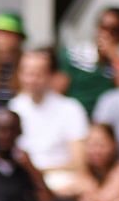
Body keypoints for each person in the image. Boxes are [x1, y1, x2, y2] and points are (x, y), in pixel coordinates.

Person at [8, 48, 88, 191]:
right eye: (27, 73)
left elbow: (79, 162)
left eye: (38, 74)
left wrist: (42, 172)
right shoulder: (14, 107)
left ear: (51, 76)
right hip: (22, 179)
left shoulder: (71, 108)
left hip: (61, 179)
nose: (31, 79)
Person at [62, 5, 119, 112]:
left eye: (114, 30)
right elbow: (58, 90)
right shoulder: (74, 55)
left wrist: (113, 55)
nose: (105, 34)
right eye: (102, 27)